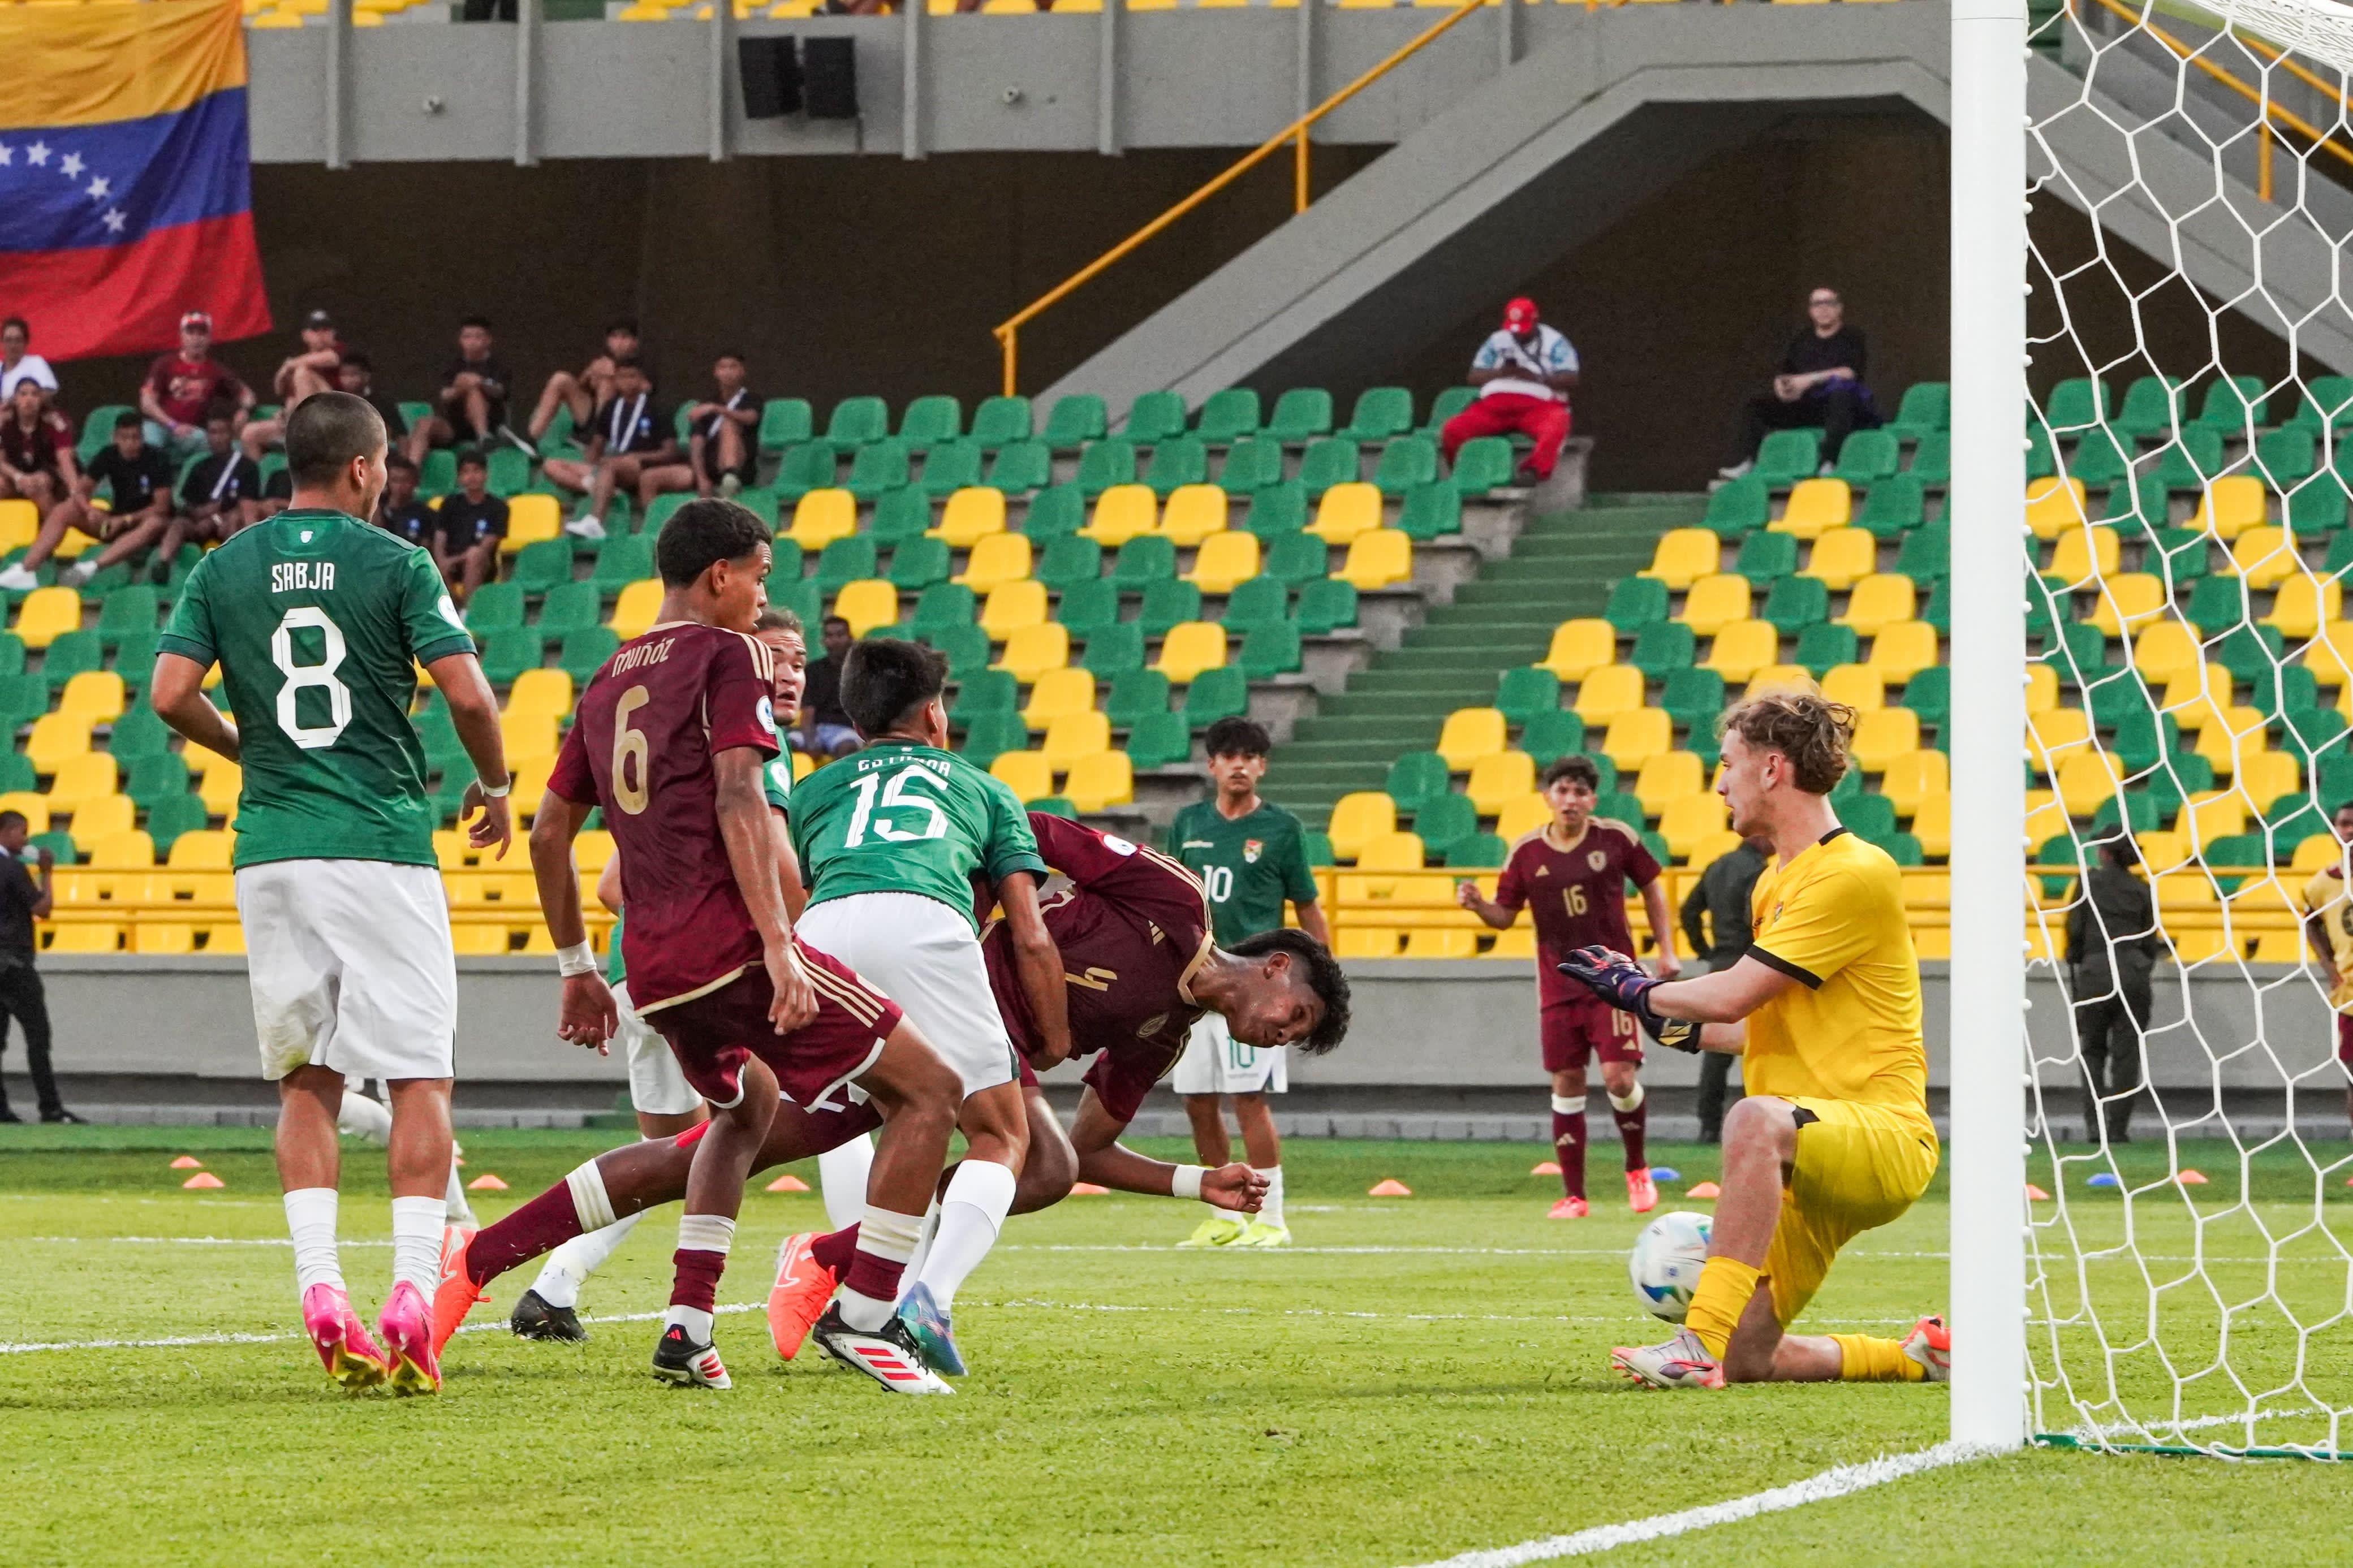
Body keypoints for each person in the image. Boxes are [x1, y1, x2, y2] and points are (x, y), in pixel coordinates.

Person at [434, 811, 1350, 1367]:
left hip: (935, 1059)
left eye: (1294, 1037)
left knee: (727, 1146)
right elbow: (1029, 831)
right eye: (1296, 1016)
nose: (1281, 1033)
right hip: (933, 997)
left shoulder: (1167, 1031)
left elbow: (1090, 1149)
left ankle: (477, 1260)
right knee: (1013, 1157)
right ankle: (839, 1268)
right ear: (1277, 966)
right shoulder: (1174, 898)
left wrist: (1196, 1183)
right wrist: (985, 913)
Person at [506, 497, 963, 1394]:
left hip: (656, 967)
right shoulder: (730, 655)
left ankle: (680, 1325)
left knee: (744, 1112)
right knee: (929, 1090)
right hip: (734, 948)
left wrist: (576, 970)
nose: (765, 595)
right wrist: (782, 950)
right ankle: (869, 1314)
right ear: (722, 574)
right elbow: (739, 801)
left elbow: (549, 832)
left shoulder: (604, 680)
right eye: (760, 575)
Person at [148, 390, 514, 1397]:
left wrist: (248, 749)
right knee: (417, 1078)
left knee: (306, 1080)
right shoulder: (397, 562)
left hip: (270, 848)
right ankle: (407, 1292)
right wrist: (495, 785)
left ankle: (321, 1290)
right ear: (362, 468)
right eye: (385, 465)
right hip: (379, 845)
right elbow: (470, 693)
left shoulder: (223, 565)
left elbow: (171, 695)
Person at [1560, 693, 1945, 1389]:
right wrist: (1673, 1023)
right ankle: (1917, 1356)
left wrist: (1637, 990)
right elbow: (1752, 1021)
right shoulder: (1775, 879)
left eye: (1726, 764)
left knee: (1751, 1119)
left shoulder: (1852, 872)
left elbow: (1734, 989)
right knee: (1751, 1362)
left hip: (1879, 1137)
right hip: (1804, 1156)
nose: (1717, 783)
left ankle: (1694, 1343)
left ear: (1771, 769)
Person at [503, 607, 818, 1343]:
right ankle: (862, 1289)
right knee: (835, 1104)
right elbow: (773, 864)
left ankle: (551, 1286)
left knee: (674, 1160)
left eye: (800, 661)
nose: (789, 674)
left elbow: (611, 876)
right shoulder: (747, 739)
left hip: (644, 976)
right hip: (708, 977)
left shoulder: (675, 720)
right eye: (775, 658)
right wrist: (775, 935)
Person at [785, 636, 1074, 1378]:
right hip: (924, 923)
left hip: (821, 929)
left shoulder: (813, 791)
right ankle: (924, 1300)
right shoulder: (980, 787)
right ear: (934, 713)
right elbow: (1031, 934)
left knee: (822, 1120)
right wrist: (1053, 1033)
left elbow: (789, 893)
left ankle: (672, 1299)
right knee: (1000, 1131)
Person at [1456, 754, 1680, 1217]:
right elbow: (1504, 916)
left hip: (1614, 981)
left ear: (1592, 799)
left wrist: (1666, 949)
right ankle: (1575, 1195)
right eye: (1562, 791)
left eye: (1580, 791)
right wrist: (1478, 905)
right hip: (1559, 985)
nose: (1571, 800)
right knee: (1567, 1081)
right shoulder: (1526, 853)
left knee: (1619, 1077)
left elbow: (1653, 887)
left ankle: (1636, 1166)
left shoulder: (1615, 838)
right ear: (1548, 797)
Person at [1167, 716, 1330, 1250]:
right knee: (1195, 1098)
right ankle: (1226, 1213)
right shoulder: (1188, 823)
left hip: (1257, 991)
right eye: (1229, 755)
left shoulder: (1282, 829)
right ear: (1212, 765)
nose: (1240, 764)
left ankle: (1272, 1217)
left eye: (1250, 756)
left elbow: (1307, 904)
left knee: (1247, 1097)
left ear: (1262, 765)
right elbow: (1170, 897)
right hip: (1195, 985)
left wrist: (1323, 973)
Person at [3, 411, 177, 592]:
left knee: (156, 523)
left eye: (136, 438)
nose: (131, 444)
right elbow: (80, 490)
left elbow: (161, 507)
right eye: (125, 438)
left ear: (143, 437)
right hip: (115, 520)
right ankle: (27, 569)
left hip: (146, 523)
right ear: (115, 437)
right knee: (66, 509)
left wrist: (126, 519)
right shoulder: (108, 455)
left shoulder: (157, 458)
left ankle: (91, 567)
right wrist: (88, 510)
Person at [1720, 287, 1877, 481]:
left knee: (1841, 397)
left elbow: (1849, 372)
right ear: (1811, 311)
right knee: (1756, 408)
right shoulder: (1802, 340)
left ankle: (1830, 461)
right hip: (1807, 405)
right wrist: (1782, 386)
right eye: (1817, 304)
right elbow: (1786, 373)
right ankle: (1749, 462)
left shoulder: (1852, 337)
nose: (1823, 309)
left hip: (1840, 406)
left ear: (1839, 309)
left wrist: (1809, 379)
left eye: (1829, 303)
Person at [2068, 834, 2161, 1145]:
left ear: (2105, 853)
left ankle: (2094, 1127)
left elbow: (2075, 930)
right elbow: (2151, 940)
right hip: (2133, 972)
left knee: (2093, 1050)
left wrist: (2079, 959)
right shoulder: (2142, 889)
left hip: (2095, 971)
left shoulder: (2088, 884)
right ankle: (2118, 1128)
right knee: (2128, 1053)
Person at [1679, 830, 1770, 1143]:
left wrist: (1704, 950)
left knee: (1716, 1050)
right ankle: (1758, 1124)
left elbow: (1689, 911)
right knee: (1758, 1046)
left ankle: (1708, 1125)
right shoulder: (1760, 872)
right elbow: (1754, 919)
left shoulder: (1716, 866)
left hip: (1720, 964)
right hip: (1751, 965)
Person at [1440, 297, 1578, 485]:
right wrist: (1502, 373)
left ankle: (1533, 471)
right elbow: (1473, 377)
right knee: (1453, 429)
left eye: (1523, 329)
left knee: (1557, 423)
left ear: (1535, 320)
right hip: (1495, 405)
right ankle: (1466, 472)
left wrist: (1538, 377)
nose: (1518, 335)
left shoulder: (1555, 342)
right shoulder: (1497, 340)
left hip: (1537, 404)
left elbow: (1572, 378)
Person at [545, 356, 675, 540]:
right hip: (610, 466)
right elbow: (597, 445)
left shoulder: (657, 408)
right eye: (621, 377)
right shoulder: (611, 407)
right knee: (552, 465)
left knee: (610, 466)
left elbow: (670, 452)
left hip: (639, 468)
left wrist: (636, 457)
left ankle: (595, 522)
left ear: (642, 380)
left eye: (632, 377)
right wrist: (590, 463)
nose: (627, 382)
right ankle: (602, 488)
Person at [0, 809, 74, 1125]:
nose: (26, 839)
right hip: (14, 964)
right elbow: (42, 909)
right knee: (38, 1037)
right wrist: (47, 872)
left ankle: (1, 1110)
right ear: (7, 832)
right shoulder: (13, 869)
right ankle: (50, 1107)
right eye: (22, 832)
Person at [635, 352, 761, 508]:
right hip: (707, 468)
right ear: (716, 372)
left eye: (733, 367)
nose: (728, 372)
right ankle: (653, 527)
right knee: (649, 478)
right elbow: (696, 441)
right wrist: (702, 478)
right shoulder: (706, 403)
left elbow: (751, 418)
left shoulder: (751, 399)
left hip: (739, 468)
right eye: (723, 367)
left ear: (743, 371)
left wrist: (716, 409)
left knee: (728, 424)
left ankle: (730, 478)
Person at [2298, 801, 2353, 1142]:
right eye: (2344, 824)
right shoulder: (2323, 883)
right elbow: (2309, 921)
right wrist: (2329, 968)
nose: (2350, 830)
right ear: (2334, 831)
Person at [141, 310, 251, 466]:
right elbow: (146, 402)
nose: (196, 338)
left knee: (207, 442)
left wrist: (244, 410)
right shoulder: (164, 364)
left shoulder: (216, 370)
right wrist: (172, 425)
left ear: (209, 338)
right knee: (150, 444)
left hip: (192, 432)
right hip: (160, 425)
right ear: (182, 336)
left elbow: (247, 395)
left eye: (202, 333)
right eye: (191, 332)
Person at [406, 317, 517, 468]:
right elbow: (445, 396)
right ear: (460, 340)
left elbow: (500, 392)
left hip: (491, 426)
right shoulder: (454, 365)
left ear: (488, 340)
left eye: (478, 337)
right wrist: (460, 387)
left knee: (473, 389)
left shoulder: (498, 366)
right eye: (467, 337)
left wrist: (479, 383)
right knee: (424, 424)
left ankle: (483, 437)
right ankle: (411, 470)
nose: (472, 341)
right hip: (455, 427)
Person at [238, 310, 345, 461]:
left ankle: (305, 431)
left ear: (333, 333)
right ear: (305, 335)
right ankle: (261, 482)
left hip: (334, 420)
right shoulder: (297, 365)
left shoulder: (339, 350)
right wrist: (287, 413)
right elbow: (279, 390)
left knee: (303, 373)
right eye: (315, 331)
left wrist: (288, 365)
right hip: (299, 423)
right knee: (249, 434)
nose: (321, 335)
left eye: (326, 330)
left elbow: (331, 359)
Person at [524, 317, 645, 444]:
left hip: (624, 421)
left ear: (635, 342)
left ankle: (599, 439)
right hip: (591, 419)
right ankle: (532, 439)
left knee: (607, 384)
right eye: (614, 337)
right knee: (561, 379)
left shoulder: (642, 363)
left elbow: (647, 390)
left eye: (624, 337)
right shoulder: (601, 362)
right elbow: (581, 387)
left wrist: (614, 377)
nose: (619, 343)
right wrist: (590, 374)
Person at [174, 404, 266, 563]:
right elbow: (187, 506)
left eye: (222, 432)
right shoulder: (199, 466)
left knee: (235, 521)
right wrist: (200, 513)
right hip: (199, 526)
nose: (217, 438)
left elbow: (249, 506)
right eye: (213, 433)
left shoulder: (247, 467)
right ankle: (162, 565)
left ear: (231, 434)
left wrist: (216, 518)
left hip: (229, 524)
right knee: (178, 525)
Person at [0, 377, 78, 525]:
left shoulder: (54, 421)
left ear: (41, 399)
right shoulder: (5, 423)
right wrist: (18, 477)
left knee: (37, 485)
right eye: (23, 394)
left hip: (50, 473)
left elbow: (64, 459)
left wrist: (75, 492)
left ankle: (56, 531)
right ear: (15, 399)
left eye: (34, 394)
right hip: (16, 474)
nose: (29, 399)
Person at [430, 450, 507, 599]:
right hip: (451, 564)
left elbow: (486, 546)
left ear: (486, 474)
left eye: (477, 471)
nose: (472, 476)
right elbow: (440, 536)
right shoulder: (450, 503)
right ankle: (454, 609)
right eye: (466, 472)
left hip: (482, 565)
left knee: (475, 554)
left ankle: (468, 611)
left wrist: (452, 561)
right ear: (459, 478)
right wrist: (442, 562)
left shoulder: (498, 507)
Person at [792, 615, 861, 759]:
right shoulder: (813, 670)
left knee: (846, 748)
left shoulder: (861, 671)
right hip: (817, 729)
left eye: (840, 635)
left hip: (846, 731)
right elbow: (808, 711)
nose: (835, 640)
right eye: (830, 636)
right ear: (823, 641)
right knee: (787, 742)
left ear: (851, 638)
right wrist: (810, 742)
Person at [374, 456, 435, 548]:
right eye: (395, 480)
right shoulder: (377, 509)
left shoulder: (426, 514)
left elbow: (425, 548)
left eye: (405, 481)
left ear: (415, 483)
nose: (400, 486)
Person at [0, 318, 58, 403]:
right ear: (2, 343)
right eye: (8, 340)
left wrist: (14, 404)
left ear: (26, 343)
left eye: (18, 340)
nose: (13, 345)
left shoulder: (36, 363)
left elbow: (47, 392)